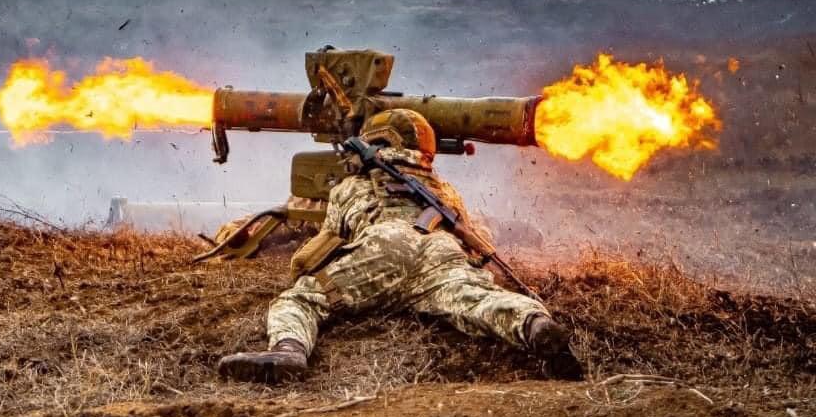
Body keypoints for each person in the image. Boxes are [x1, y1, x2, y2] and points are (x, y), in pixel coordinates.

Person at [217, 108, 582, 383]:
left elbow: (326, 241)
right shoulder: (444, 192)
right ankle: (533, 324)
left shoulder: (352, 186)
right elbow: (472, 237)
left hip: (382, 246)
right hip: (440, 250)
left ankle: (288, 353)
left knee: (302, 299)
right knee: (481, 301)